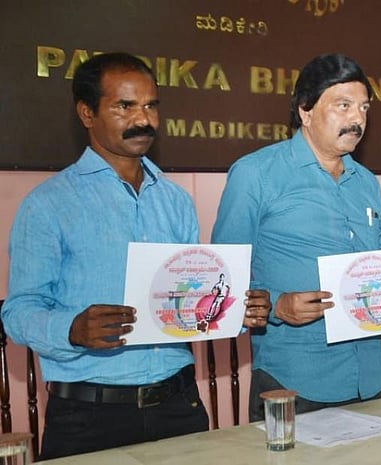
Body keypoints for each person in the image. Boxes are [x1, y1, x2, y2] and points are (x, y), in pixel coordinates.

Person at [1, 52, 271, 460]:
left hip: (179, 406)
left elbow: (187, 303)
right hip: (89, 418)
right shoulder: (48, 205)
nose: (143, 119)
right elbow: (18, 311)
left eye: (151, 106)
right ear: (87, 113)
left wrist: (235, 310)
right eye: (124, 106)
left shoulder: (176, 201)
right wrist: (71, 329)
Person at [211, 53, 381, 421]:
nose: (357, 119)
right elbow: (220, 281)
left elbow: (374, 274)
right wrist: (277, 306)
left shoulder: (366, 183)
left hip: (372, 378)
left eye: (364, 108)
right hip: (295, 380)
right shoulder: (256, 174)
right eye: (343, 105)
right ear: (305, 110)